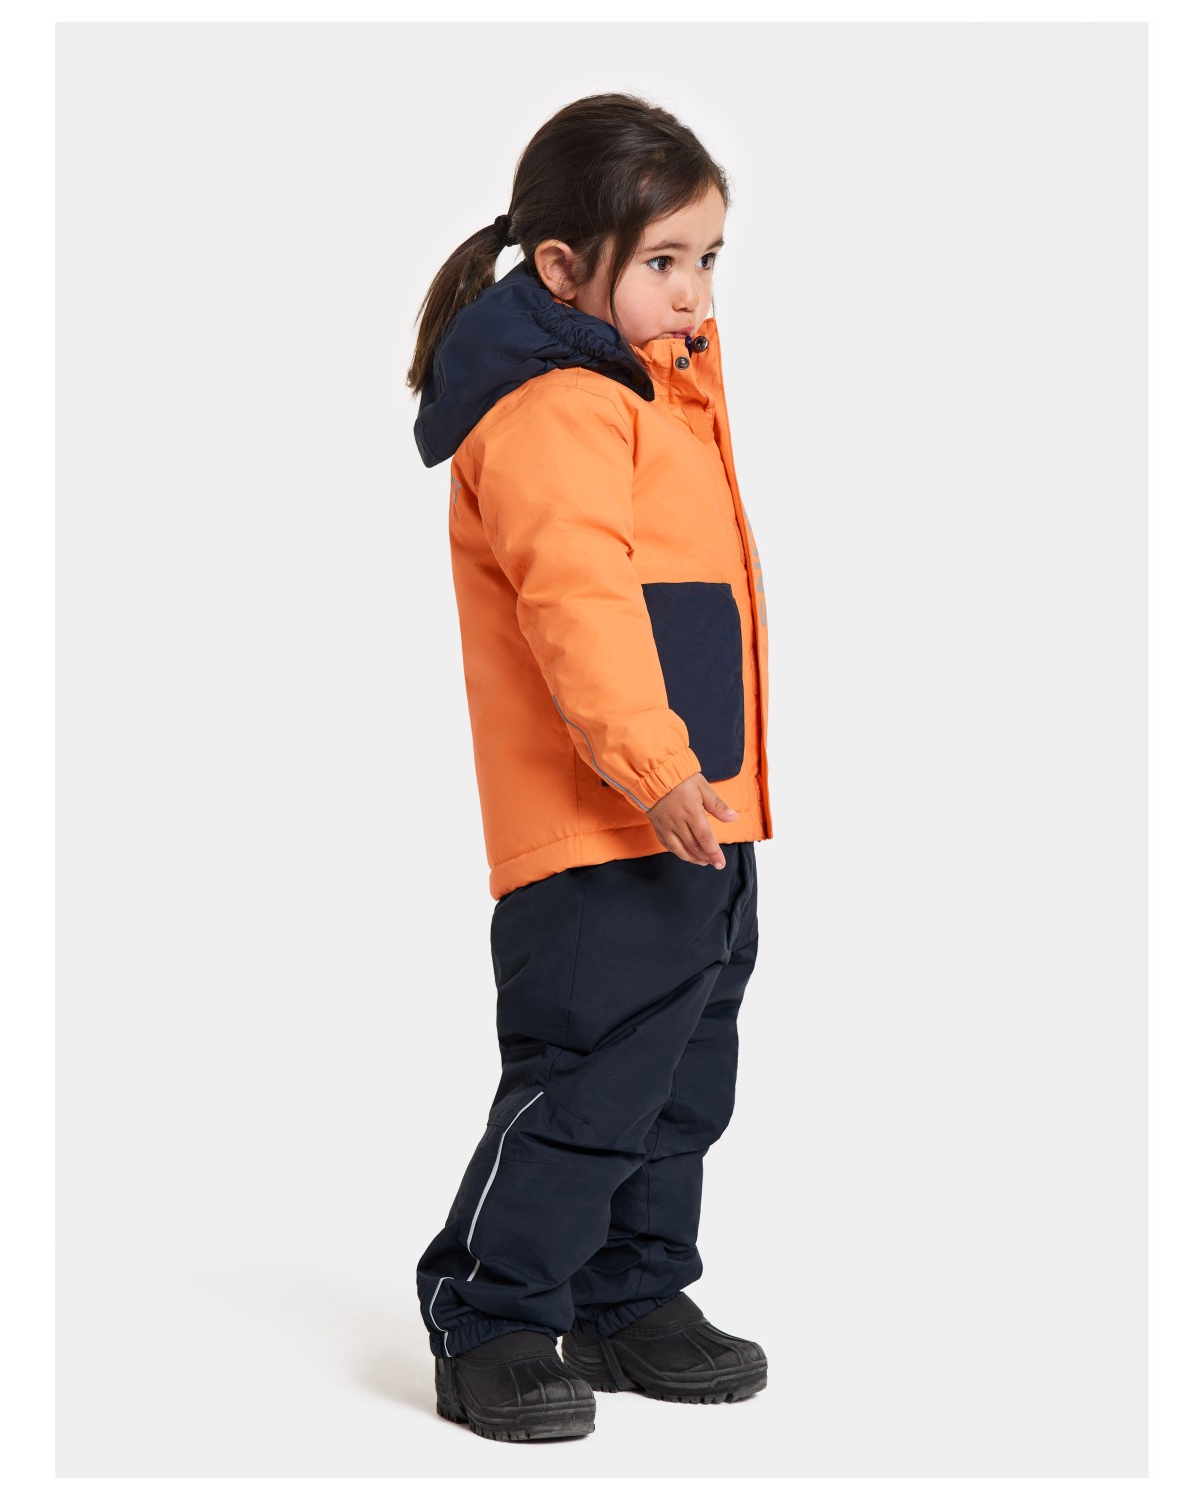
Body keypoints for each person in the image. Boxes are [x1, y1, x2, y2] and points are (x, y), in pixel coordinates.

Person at [404, 92, 774, 1443]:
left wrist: (701, 789)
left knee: (683, 1072)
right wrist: (658, 766)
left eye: (708, 258)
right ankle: (494, 1314)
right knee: (589, 1077)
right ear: (561, 267)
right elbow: (582, 605)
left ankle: (630, 1295)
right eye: (663, 260)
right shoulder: (555, 408)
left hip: (695, 810)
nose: (694, 292)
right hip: (605, 816)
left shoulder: (644, 392)